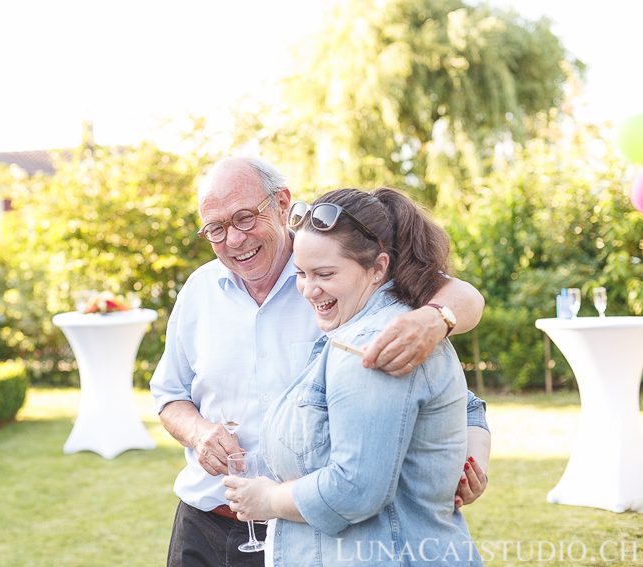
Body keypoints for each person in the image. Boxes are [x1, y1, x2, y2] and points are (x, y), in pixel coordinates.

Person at [150, 157, 490, 567]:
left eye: (244, 218)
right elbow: (170, 396)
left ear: (282, 204)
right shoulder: (199, 291)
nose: (234, 239)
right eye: (216, 229)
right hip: (205, 522)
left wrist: (437, 317)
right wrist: (200, 433)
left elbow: (460, 305)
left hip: (308, 531)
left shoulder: (346, 278)